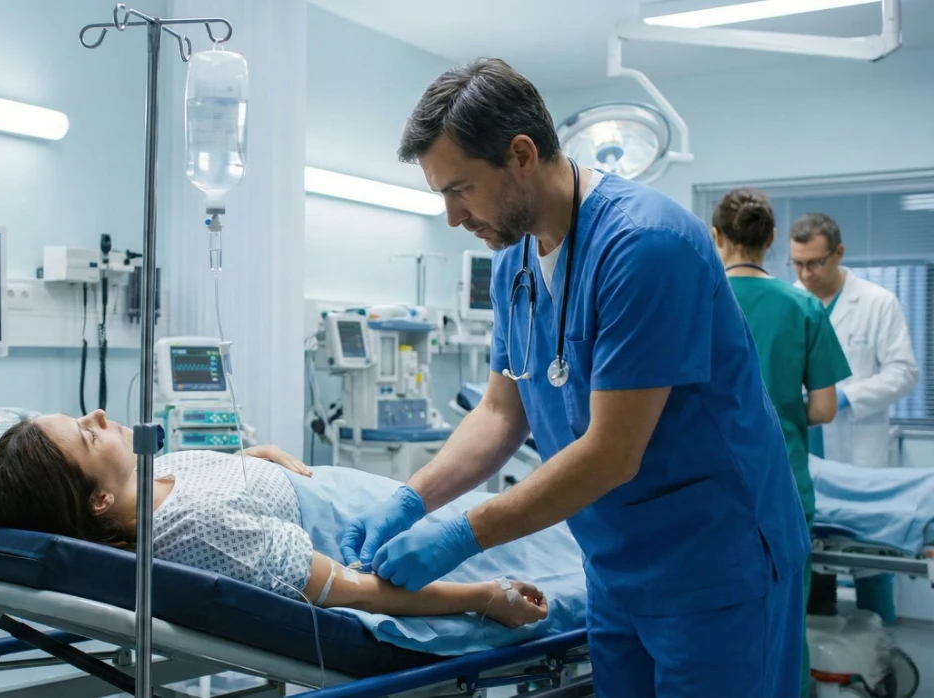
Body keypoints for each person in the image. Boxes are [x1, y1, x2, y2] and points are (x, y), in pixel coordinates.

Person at [337, 58, 809, 697]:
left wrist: (462, 535)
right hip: (614, 565)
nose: (452, 217)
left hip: (715, 565)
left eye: (460, 190)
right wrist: (412, 499)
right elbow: (501, 413)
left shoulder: (645, 245)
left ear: (521, 155)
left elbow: (612, 453)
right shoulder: (514, 262)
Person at [0, 410, 556, 632]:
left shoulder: (146, 478)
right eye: (86, 434)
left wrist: (250, 459)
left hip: (358, 494)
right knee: (551, 545)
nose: (98, 415)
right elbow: (357, 591)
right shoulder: (193, 530)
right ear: (98, 502)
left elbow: (210, 485)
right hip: (360, 527)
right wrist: (483, 597)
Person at [711, 188, 852, 697]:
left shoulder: (700, 302)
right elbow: (824, 408)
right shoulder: (803, 306)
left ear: (716, 237)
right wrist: (783, 407)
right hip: (783, 488)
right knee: (786, 626)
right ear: (771, 239)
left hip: (710, 490)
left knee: (713, 629)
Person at [790, 211, 920, 627]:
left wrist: (848, 397)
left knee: (872, 567)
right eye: (797, 264)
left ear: (839, 253)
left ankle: (882, 652)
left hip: (858, 453)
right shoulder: (791, 301)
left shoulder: (878, 303)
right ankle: (824, 654)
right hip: (807, 452)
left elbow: (904, 372)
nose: (806, 274)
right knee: (815, 574)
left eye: (815, 263)